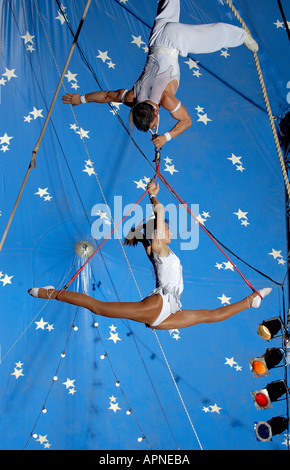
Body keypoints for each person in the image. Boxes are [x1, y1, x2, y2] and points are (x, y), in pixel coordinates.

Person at [28, 180, 271, 330]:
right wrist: (153, 196)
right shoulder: (160, 249)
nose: (170, 229)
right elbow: (159, 213)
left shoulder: (158, 251)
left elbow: (151, 233)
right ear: (159, 234)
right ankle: (50, 293)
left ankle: (251, 301)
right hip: (161, 306)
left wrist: (142, 230)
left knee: (210, 316)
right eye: (166, 227)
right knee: (99, 308)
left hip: (168, 310)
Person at [62, 0, 258, 149]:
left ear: (155, 112)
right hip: (156, 37)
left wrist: (166, 137)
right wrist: (81, 98)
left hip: (173, 40)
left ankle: (241, 36)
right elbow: (106, 96)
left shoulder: (166, 99)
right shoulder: (132, 97)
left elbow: (187, 121)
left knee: (214, 36)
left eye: (154, 123)